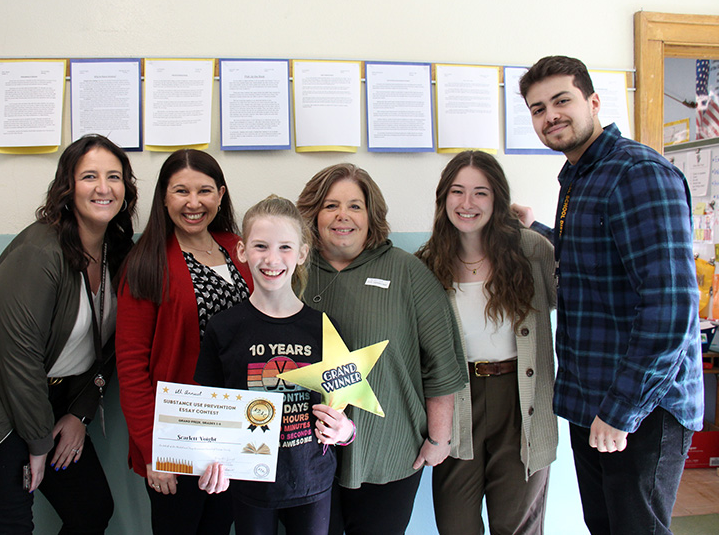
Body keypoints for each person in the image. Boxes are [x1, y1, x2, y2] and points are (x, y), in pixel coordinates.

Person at [513, 55, 703, 534]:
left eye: (562, 101)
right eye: (538, 109)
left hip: (640, 408)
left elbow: (671, 307)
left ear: (593, 102)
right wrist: (531, 230)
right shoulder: (580, 176)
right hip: (590, 400)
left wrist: (620, 412)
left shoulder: (637, 173)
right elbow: (595, 260)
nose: (550, 115)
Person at [0, 134, 137, 534]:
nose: (103, 187)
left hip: (50, 398)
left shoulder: (119, 251)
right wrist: (38, 447)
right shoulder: (39, 253)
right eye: (89, 176)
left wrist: (81, 412)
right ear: (67, 186)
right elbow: (18, 357)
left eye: (114, 177)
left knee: (91, 509)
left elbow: (113, 346)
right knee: (10, 521)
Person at [296, 164, 468, 535]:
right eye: (331, 205)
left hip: (390, 452)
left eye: (355, 206)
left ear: (372, 216)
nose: (343, 216)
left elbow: (441, 363)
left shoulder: (408, 272)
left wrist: (439, 438)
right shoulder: (291, 273)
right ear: (313, 213)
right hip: (305, 455)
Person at [194, 195, 355, 535]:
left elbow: (346, 414)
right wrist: (207, 461)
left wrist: (344, 433)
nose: (272, 259)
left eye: (284, 247)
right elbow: (205, 409)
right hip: (249, 483)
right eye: (260, 246)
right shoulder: (223, 328)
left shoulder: (324, 328)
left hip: (312, 480)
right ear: (242, 251)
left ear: (301, 254)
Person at [416, 151, 557, 535]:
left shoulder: (532, 250)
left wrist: (540, 228)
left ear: (497, 199)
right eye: (457, 192)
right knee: (455, 523)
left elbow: (575, 290)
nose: (467, 203)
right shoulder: (426, 264)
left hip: (520, 399)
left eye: (480, 193)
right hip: (455, 401)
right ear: (443, 198)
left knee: (517, 525)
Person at [115, 149, 253, 535]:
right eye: (181, 191)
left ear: (221, 195)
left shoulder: (240, 248)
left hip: (235, 431)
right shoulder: (147, 263)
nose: (194, 203)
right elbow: (130, 366)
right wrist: (152, 451)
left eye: (205, 191)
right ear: (164, 197)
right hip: (177, 435)